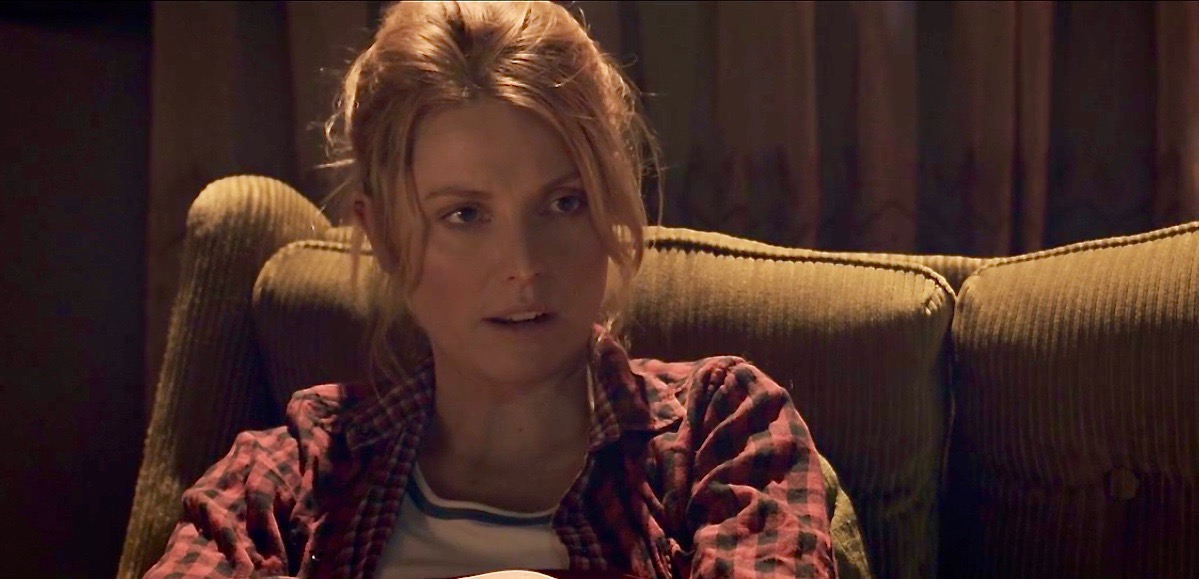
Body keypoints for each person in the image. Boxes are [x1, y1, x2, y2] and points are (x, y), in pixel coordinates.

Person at [144, 2, 836, 578]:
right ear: (383, 235)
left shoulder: (723, 427)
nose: (523, 265)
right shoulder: (289, 474)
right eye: (465, 215)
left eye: (563, 203)